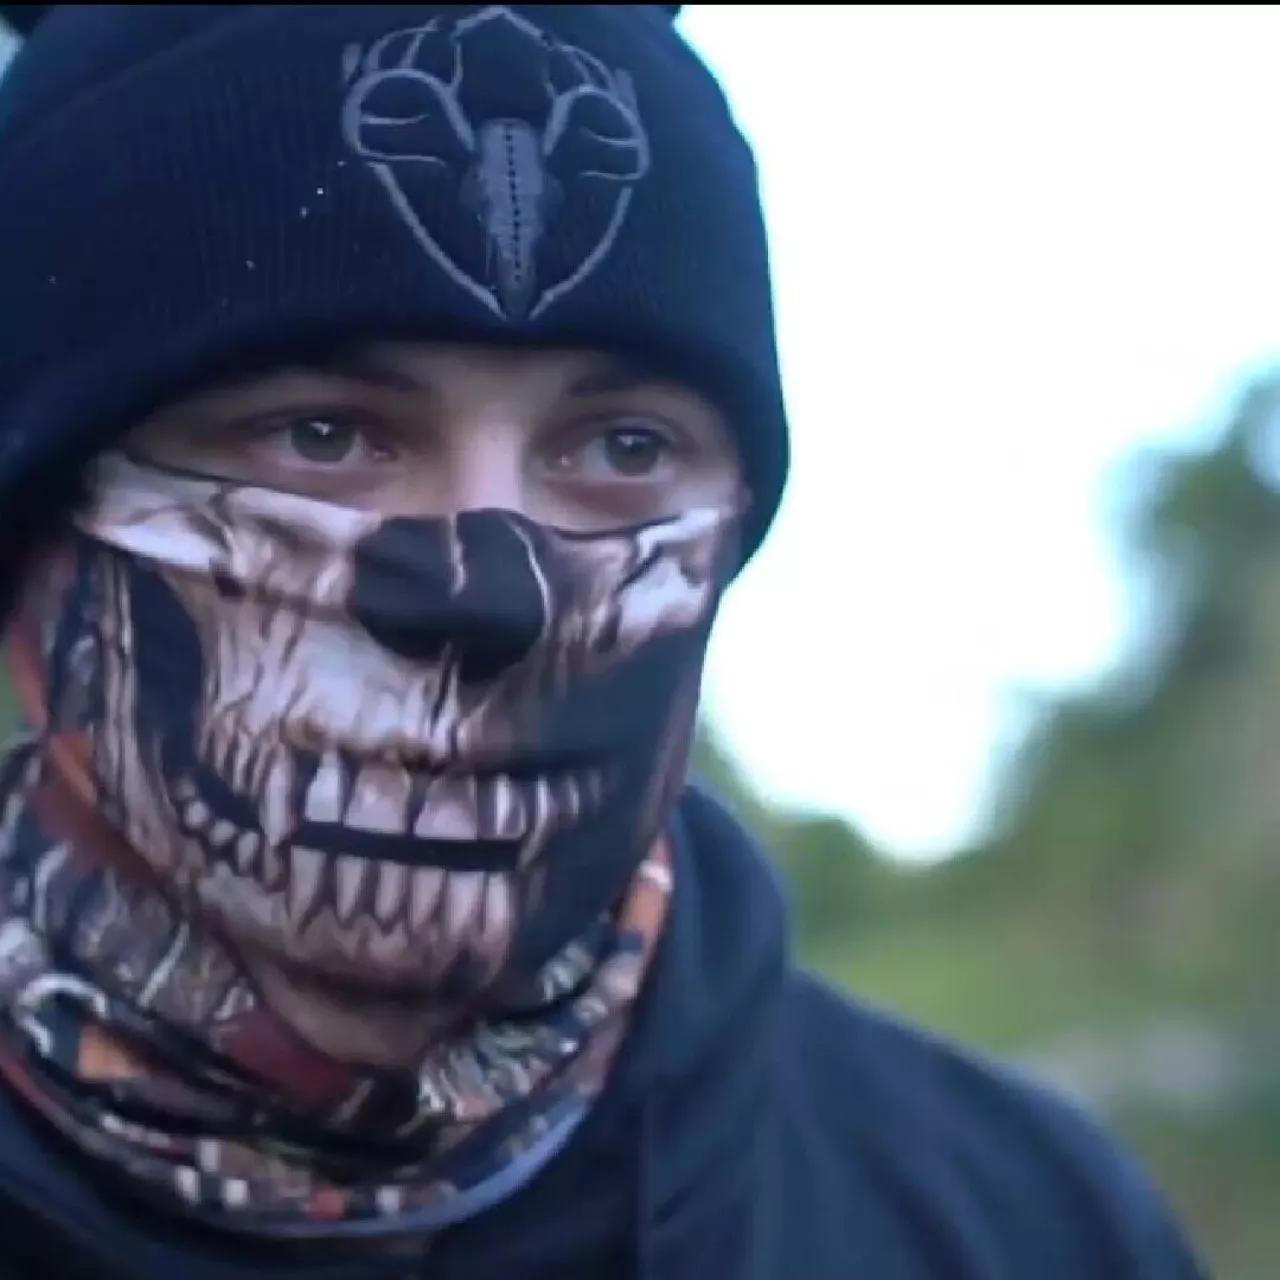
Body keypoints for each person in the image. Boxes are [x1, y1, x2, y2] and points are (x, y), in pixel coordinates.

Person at [0, 6, 1210, 1279]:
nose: (495, 599)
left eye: (622, 446)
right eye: (321, 434)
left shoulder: (1031, 1225)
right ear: (38, 529)